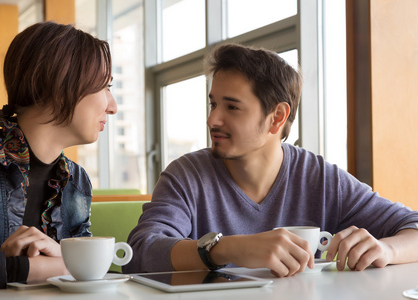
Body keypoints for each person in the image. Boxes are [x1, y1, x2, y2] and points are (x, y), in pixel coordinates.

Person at [124, 43, 418, 277]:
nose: (212, 119)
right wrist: (227, 248)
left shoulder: (321, 179)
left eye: (232, 107)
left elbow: (413, 226)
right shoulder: (186, 175)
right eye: (214, 103)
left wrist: (385, 250)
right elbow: (139, 252)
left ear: (277, 117)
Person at [0, 21, 117, 290]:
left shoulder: (77, 181)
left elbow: (84, 274)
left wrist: (64, 261)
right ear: (61, 86)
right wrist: (23, 268)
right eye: (104, 87)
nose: (112, 106)